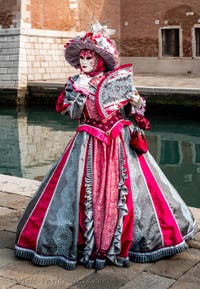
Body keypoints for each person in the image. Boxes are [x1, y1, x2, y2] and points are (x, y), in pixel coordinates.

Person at [15, 21, 197, 270]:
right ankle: (87, 244)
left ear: (99, 59)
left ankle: (122, 241)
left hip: (118, 141)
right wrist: (78, 93)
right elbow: (69, 112)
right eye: (81, 58)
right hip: (88, 142)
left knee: (128, 194)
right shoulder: (75, 83)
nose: (84, 62)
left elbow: (136, 114)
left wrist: (135, 102)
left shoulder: (116, 81)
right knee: (81, 194)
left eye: (88, 57)